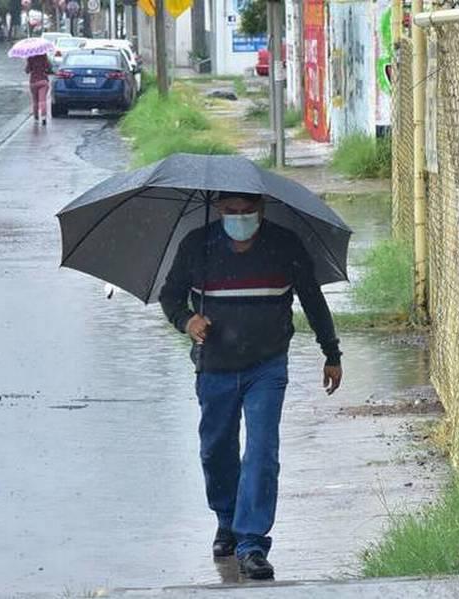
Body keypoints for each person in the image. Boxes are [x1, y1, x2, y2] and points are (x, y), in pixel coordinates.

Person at [160, 192, 343, 580]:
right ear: (218, 211)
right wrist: (187, 321)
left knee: (261, 451)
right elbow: (170, 296)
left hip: (267, 366)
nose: (239, 218)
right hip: (215, 367)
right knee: (216, 448)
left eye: (247, 212)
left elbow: (311, 298)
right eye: (231, 212)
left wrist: (331, 352)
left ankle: (252, 543)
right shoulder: (198, 246)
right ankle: (226, 520)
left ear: (261, 210)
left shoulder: (284, 245)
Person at [25, 53, 51, 126]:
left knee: (35, 101)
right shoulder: (44, 56)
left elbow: (27, 71)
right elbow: (49, 68)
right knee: (43, 100)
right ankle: (43, 118)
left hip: (33, 82)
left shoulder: (30, 57)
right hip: (43, 80)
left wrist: (28, 63)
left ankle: (36, 118)